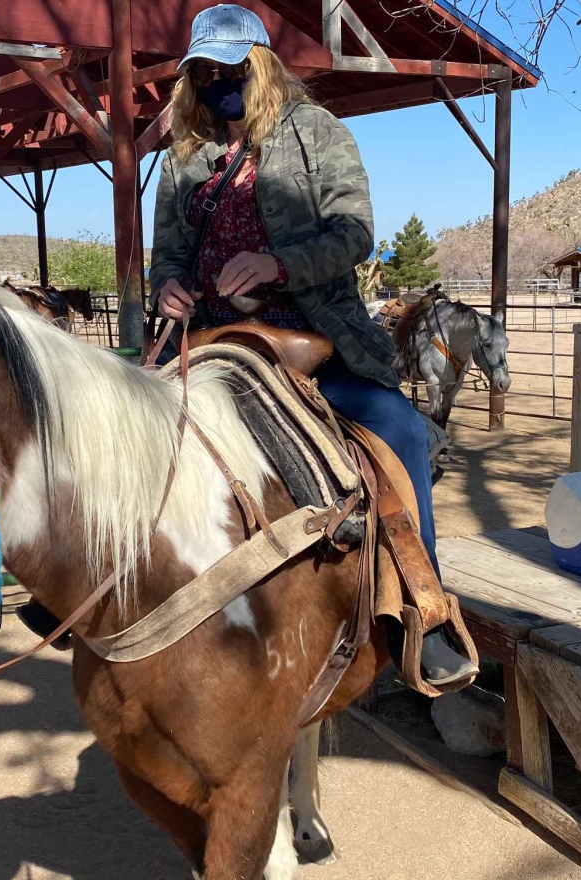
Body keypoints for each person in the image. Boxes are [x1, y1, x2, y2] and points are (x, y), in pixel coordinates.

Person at [149, 3, 474, 685]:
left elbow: (354, 232)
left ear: (260, 66)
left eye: (229, 70)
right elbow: (168, 255)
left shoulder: (316, 132)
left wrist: (278, 265)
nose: (216, 83)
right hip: (210, 339)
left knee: (398, 430)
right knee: (122, 419)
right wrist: (167, 288)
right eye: (203, 72)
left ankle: (424, 607)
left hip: (312, 336)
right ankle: (99, 584)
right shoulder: (183, 156)